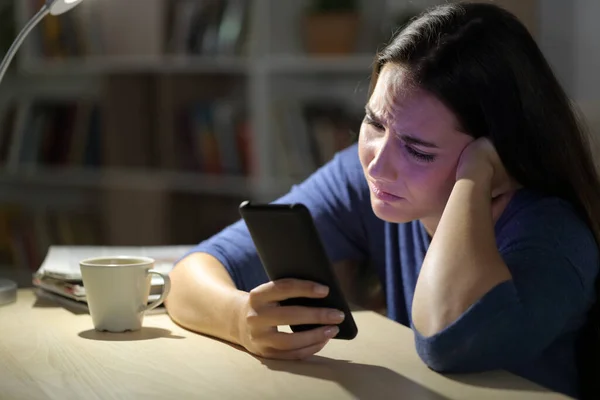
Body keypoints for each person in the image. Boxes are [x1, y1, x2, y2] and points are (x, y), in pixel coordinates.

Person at [164, 2, 600, 399]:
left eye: (418, 150)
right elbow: (195, 271)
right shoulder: (367, 182)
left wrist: (475, 175)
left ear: (498, 151)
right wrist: (240, 318)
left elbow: (448, 341)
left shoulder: (553, 237)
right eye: (373, 123)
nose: (378, 164)